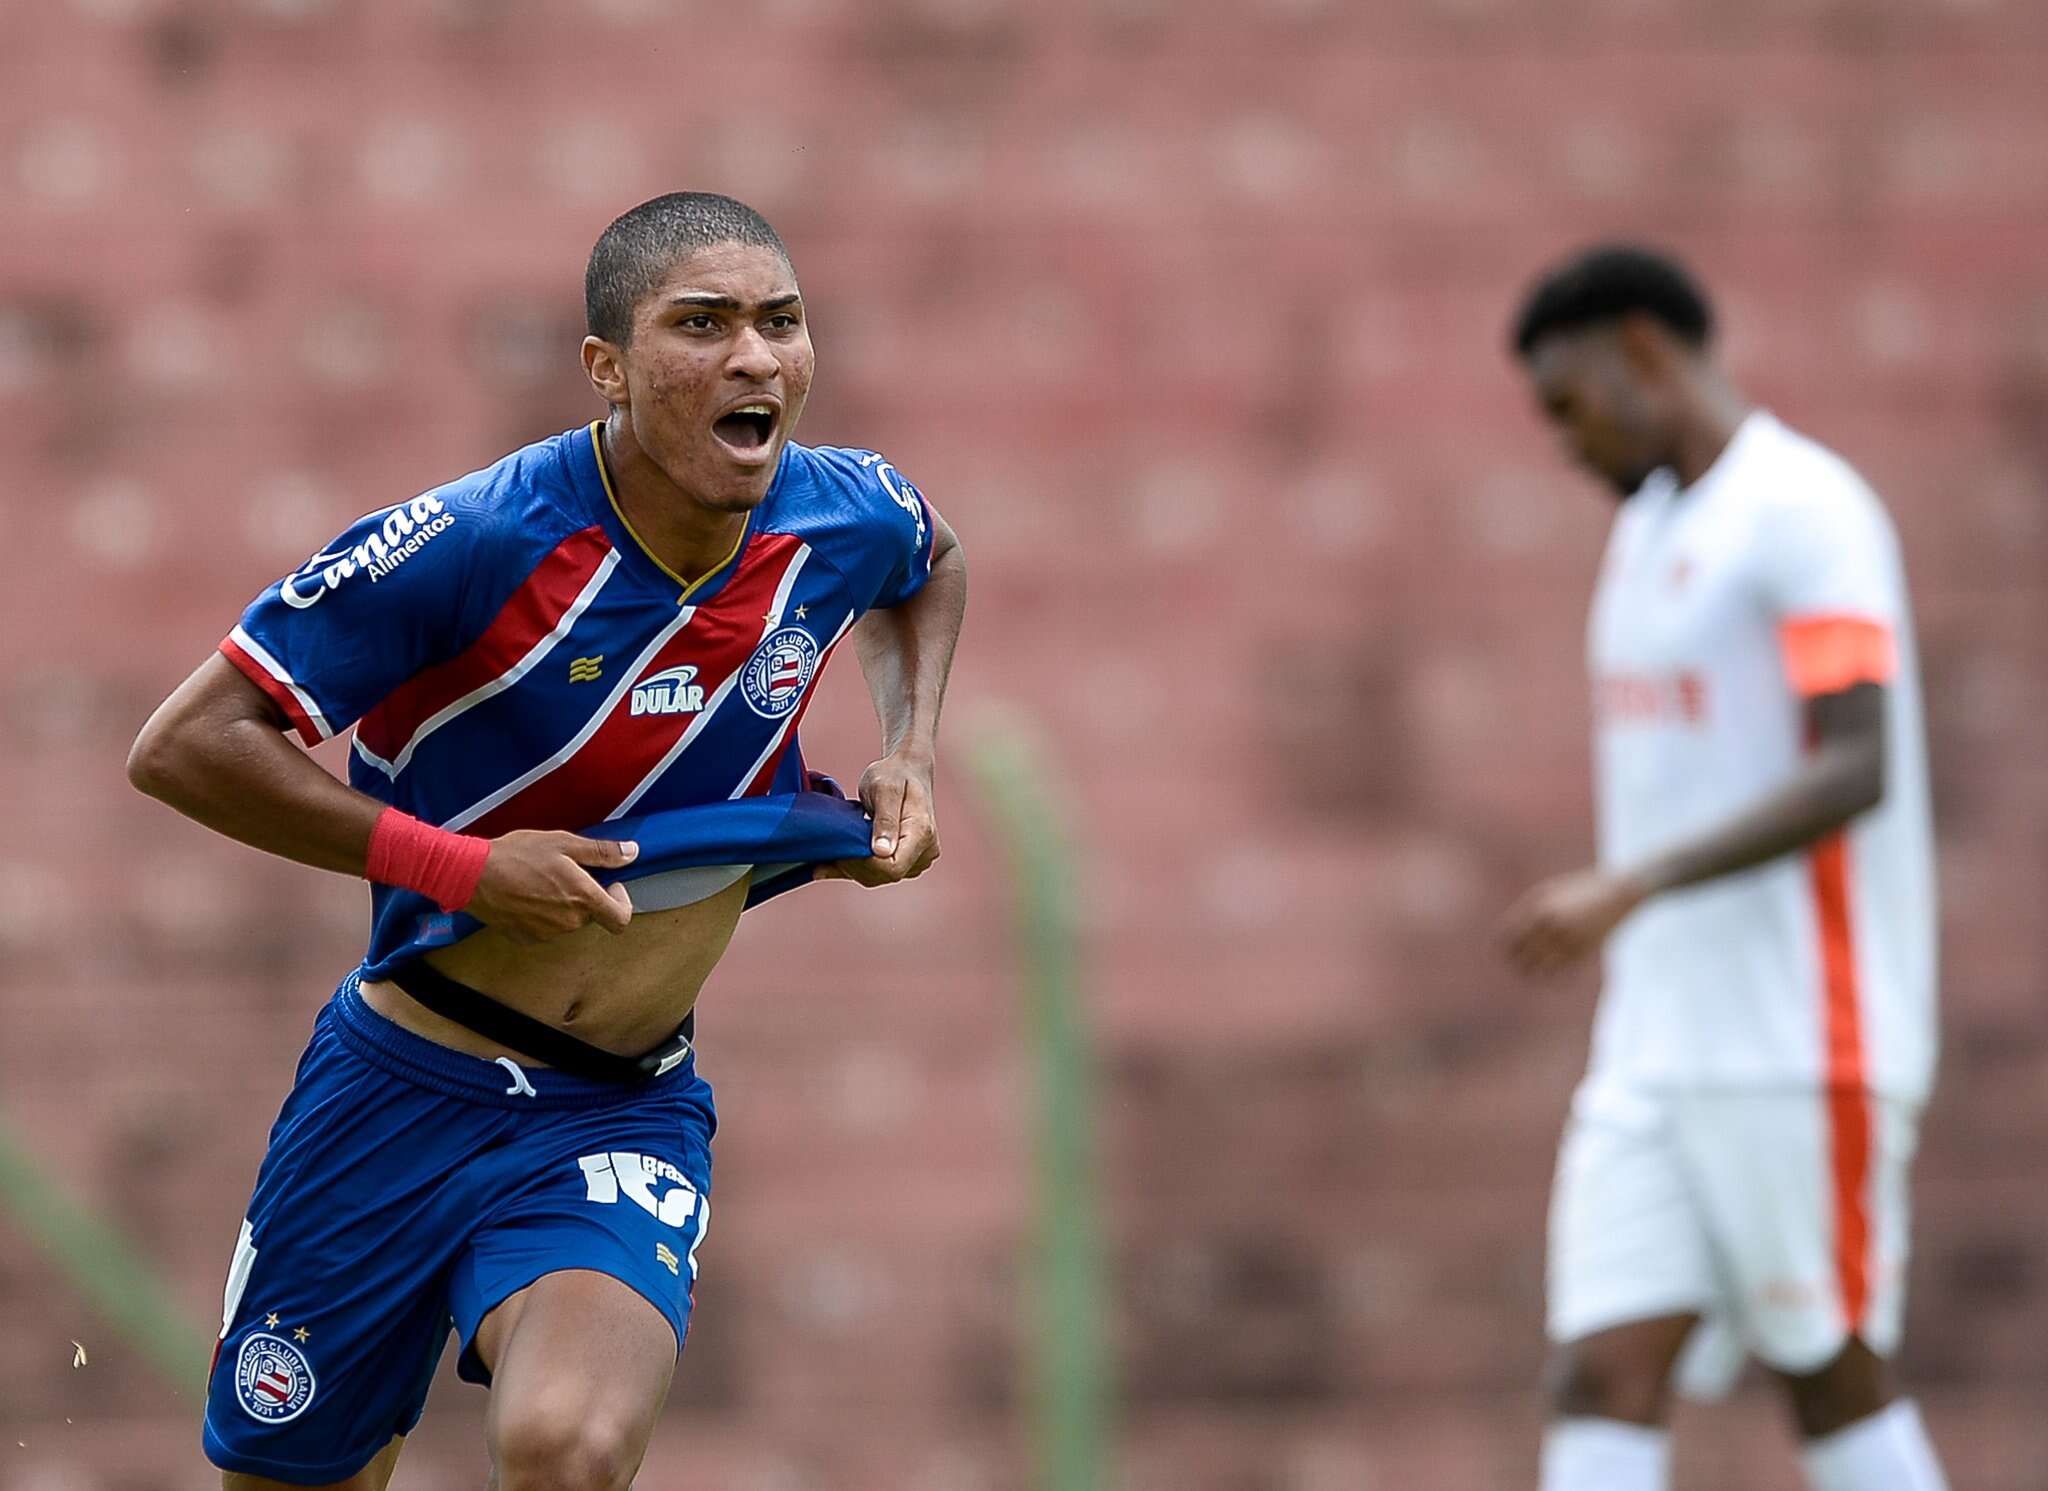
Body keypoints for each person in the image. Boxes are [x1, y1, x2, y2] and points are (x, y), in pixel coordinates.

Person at [126, 191, 967, 1491]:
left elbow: (931, 559)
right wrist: (460, 866)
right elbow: (183, 743)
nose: (754, 358)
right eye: (703, 324)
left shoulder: (841, 514)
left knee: (564, 1446)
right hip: (398, 1085)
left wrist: (909, 747)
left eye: (780, 323)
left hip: (618, 1104)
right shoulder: (478, 540)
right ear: (608, 368)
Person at [1498, 245, 1946, 1491]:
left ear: (1643, 349)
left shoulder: (1804, 511)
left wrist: (1632, 884)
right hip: (1651, 1044)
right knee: (1600, 1370)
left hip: (1799, 1042)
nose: (1563, 440)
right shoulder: (1644, 533)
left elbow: (1855, 763)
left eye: (1567, 402)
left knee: (1828, 1375)